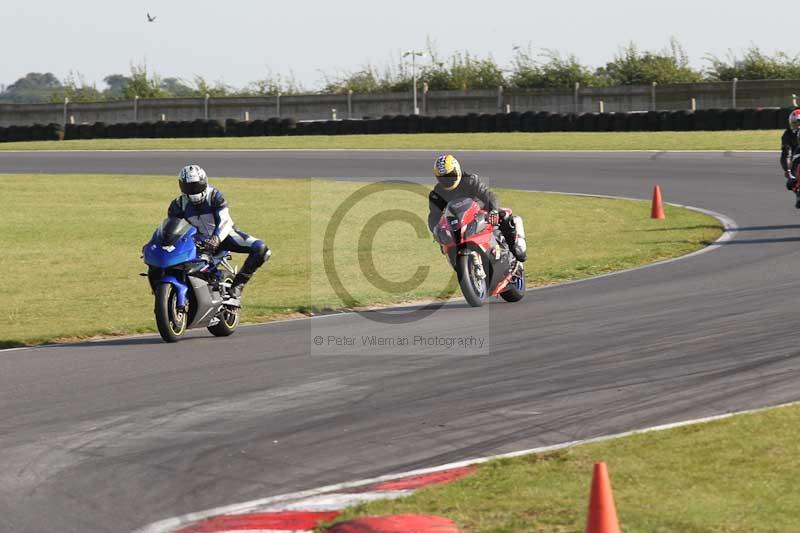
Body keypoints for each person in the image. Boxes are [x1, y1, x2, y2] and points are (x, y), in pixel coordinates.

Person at [166, 164, 270, 298]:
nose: (193, 190)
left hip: (225, 235)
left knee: (262, 249)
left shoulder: (215, 196)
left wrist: (216, 238)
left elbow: (224, 220)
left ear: (204, 182)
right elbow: (172, 228)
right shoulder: (178, 205)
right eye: (188, 187)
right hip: (197, 242)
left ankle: (239, 283)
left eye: (196, 186)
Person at [428, 154, 527, 262]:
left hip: (480, 214)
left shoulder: (470, 180)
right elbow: (434, 216)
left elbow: (489, 195)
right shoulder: (437, 193)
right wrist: (436, 230)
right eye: (443, 178)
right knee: (444, 246)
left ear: (457, 170)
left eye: (450, 175)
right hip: (457, 225)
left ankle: (515, 248)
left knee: (504, 216)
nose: (447, 181)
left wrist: (493, 211)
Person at [781, 109, 800, 207]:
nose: (798, 126)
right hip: (796, 157)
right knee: (791, 182)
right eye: (795, 123)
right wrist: (788, 171)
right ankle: (798, 193)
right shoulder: (787, 135)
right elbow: (786, 152)